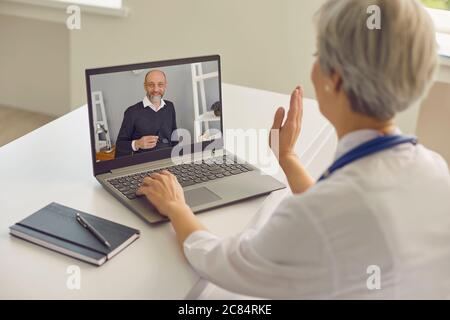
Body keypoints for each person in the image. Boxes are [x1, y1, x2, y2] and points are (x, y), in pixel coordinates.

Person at [136, 0, 450, 299]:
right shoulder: (435, 169)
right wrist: (288, 158)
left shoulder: (323, 213)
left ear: (335, 79)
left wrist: (176, 205)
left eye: (319, 54)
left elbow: (225, 264)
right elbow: (340, 221)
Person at [115, 70, 178, 158]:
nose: (156, 89)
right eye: (151, 85)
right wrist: (137, 144)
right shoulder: (132, 112)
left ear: (165, 85)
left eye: (160, 84)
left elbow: (174, 137)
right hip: (145, 163)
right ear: (145, 86)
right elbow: (120, 145)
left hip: (168, 159)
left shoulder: (170, 106)